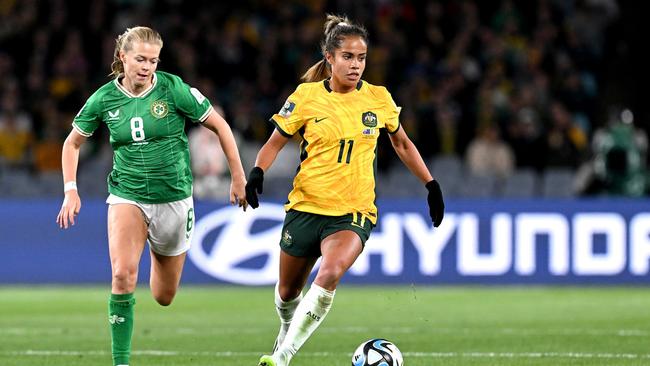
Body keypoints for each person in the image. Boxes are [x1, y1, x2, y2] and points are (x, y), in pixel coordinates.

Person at [245, 15, 445, 366]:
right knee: (287, 293)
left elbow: (402, 144)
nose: (356, 65)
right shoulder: (306, 97)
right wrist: (258, 171)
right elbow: (275, 142)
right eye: (348, 57)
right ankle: (285, 331)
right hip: (305, 208)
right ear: (330, 58)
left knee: (330, 273)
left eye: (362, 58)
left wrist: (431, 184)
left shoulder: (378, 98)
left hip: (353, 212)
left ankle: (283, 357)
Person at [55, 26, 247, 366]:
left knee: (164, 296)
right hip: (127, 195)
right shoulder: (103, 99)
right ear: (122, 57)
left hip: (174, 198)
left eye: (153, 61)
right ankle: (121, 362)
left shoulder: (173, 89)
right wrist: (71, 190)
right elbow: (72, 143)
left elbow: (220, 126)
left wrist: (237, 176)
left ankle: (156, 254)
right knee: (122, 275)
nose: (147, 67)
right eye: (140, 59)